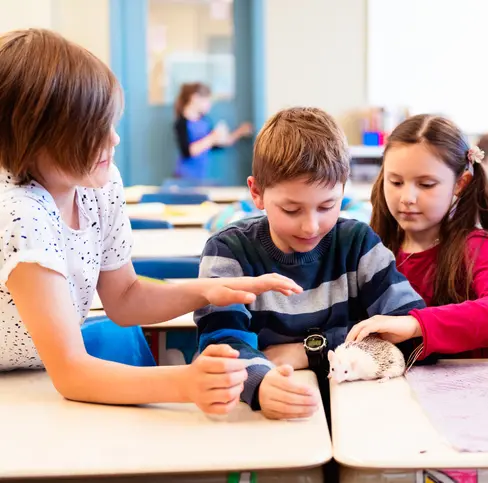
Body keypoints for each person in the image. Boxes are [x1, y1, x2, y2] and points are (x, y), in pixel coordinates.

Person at [0, 29, 302, 414]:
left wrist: (211, 289)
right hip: (17, 386)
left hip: (37, 373)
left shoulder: (97, 183)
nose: (114, 140)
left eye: (111, 124)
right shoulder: (20, 213)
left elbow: (125, 300)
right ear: (35, 137)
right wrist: (186, 383)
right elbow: (72, 372)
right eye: (92, 131)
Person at [193, 107, 428, 420]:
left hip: (361, 411)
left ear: (343, 189)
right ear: (257, 193)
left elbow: (410, 329)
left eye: (327, 206)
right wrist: (261, 383)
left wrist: (308, 351)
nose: (311, 227)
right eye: (292, 210)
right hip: (269, 413)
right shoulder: (228, 251)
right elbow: (223, 346)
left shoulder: (358, 244)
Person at [347, 115, 488, 359]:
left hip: (460, 390)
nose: (407, 197)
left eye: (426, 184)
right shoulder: (372, 247)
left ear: (460, 184)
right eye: (396, 182)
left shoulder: (473, 246)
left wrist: (415, 325)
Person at [173, 82, 253, 182]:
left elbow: (217, 144)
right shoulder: (181, 122)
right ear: (195, 98)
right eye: (207, 101)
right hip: (184, 176)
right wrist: (212, 138)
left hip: (200, 177)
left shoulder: (205, 121)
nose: (209, 105)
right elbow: (187, 152)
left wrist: (239, 132)